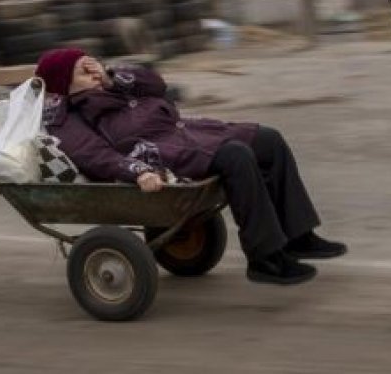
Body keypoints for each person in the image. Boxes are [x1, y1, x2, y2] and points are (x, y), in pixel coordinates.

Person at [35, 48, 347, 286]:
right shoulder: (68, 118)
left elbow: (158, 84)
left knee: (268, 140)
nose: (92, 72)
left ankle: (298, 236)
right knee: (235, 155)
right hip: (155, 153)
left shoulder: (114, 86)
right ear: (64, 84)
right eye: (83, 71)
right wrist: (136, 171)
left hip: (189, 133)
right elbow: (95, 156)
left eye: (92, 64)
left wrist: (110, 76)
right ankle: (265, 258)